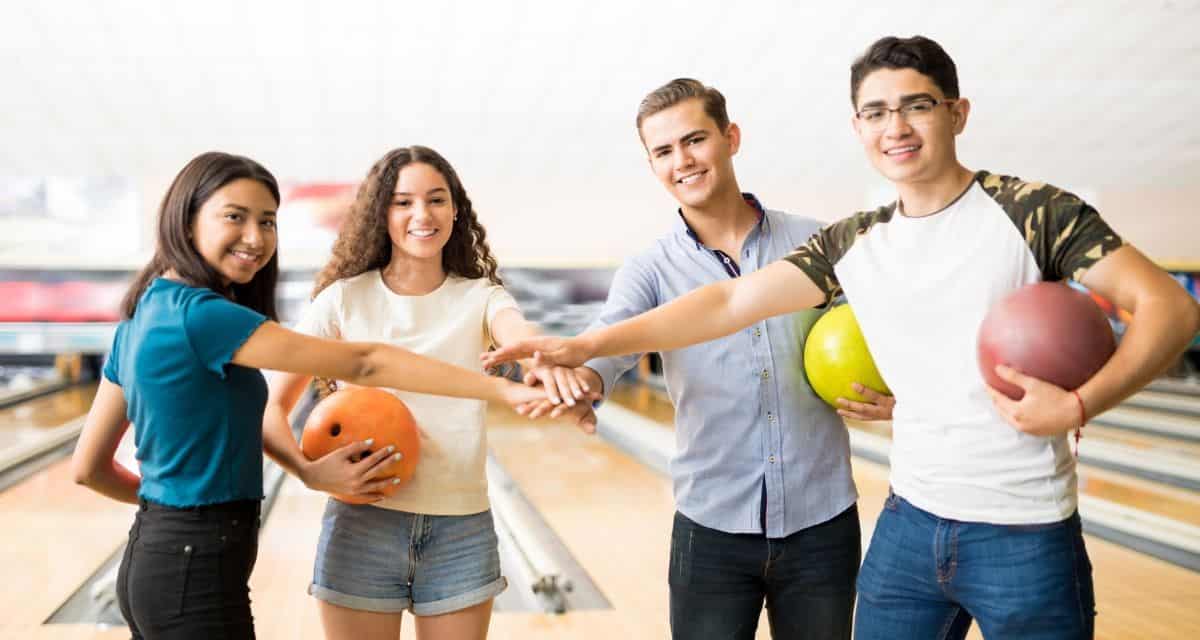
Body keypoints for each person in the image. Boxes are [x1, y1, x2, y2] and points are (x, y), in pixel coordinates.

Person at [482, 37, 1200, 640]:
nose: (897, 126)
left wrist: (1079, 405)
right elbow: (728, 302)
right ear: (857, 127)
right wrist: (579, 351)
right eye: (876, 111)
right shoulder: (856, 243)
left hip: (1018, 529)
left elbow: (1168, 307)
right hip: (906, 526)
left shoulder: (1032, 211)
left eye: (917, 105)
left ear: (957, 112)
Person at [70, 151, 547, 640]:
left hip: (153, 556)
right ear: (185, 218)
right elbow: (365, 362)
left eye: (267, 221)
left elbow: (87, 467)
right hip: (200, 566)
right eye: (234, 216)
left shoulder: (142, 314)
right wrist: (503, 389)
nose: (255, 238)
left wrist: (168, 515)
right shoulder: (206, 316)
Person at [521, 79, 894, 640]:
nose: (683, 161)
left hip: (822, 524)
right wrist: (575, 381)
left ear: (730, 137)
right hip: (712, 530)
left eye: (695, 140)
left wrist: (899, 394)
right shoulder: (650, 270)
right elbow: (608, 345)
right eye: (664, 151)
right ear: (652, 165)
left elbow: (892, 332)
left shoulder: (816, 243)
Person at [261, 145, 591, 640]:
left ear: (456, 210)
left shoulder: (481, 297)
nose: (422, 214)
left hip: (460, 530)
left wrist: (542, 366)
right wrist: (307, 472)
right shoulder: (342, 300)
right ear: (381, 213)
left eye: (437, 200)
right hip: (361, 525)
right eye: (402, 202)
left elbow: (518, 337)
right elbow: (269, 407)